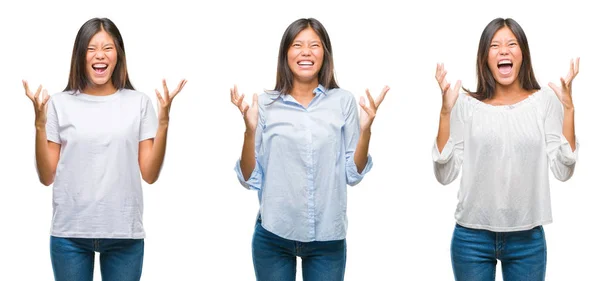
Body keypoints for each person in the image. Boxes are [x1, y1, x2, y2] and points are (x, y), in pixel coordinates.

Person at [22, 17, 186, 281]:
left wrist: (164, 121)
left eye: (108, 48)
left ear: (118, 54)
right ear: (80, 55)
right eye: (91, 48)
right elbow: (46, 177)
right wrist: (39, 127)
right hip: (70, 235)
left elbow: (150, 174)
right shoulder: (58, 104)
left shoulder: (139, 103)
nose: (100, 55)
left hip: (124, 234)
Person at [230, 17, 388, 281]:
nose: (306, 52)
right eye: (297, 45)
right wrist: (249, 130)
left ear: (325, 53)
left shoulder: (343, 101)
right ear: (286, 54)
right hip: (274, 236)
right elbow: (249, 178)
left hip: (327, 238)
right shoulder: (266, 103)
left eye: (314, 45)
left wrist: (366, 131)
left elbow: (353, 174)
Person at [432, 17, 579, 281]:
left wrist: (569, 109)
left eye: (511, 44)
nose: (503, 51)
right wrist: (445, 112)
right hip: (471, 238)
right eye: (494, 45)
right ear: (484, 56)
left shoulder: (544, 101)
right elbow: (444, 175)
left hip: (528, 239)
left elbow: (563, 169)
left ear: (522, 53)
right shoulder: (466, 105)